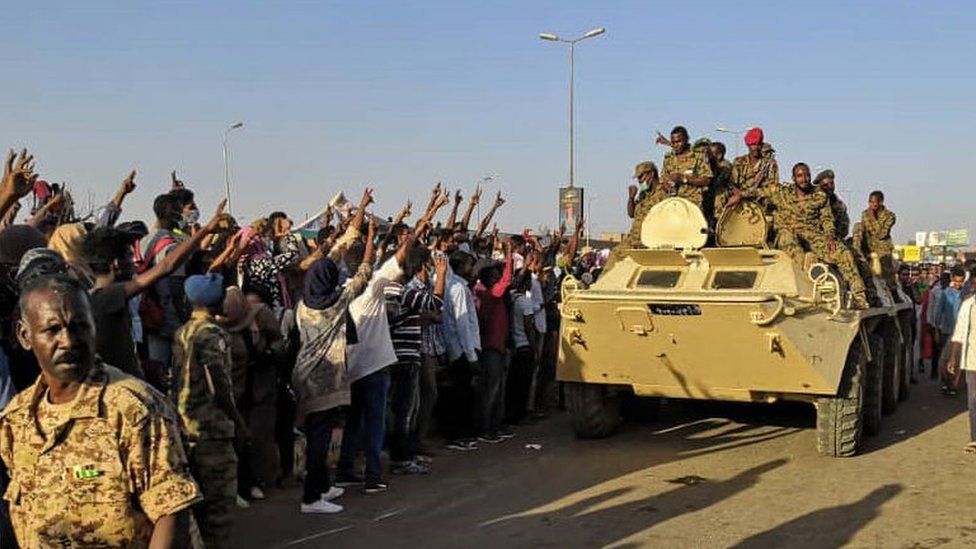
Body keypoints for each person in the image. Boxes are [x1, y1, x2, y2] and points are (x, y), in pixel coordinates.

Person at [0, 274, 201, 547]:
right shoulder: (17, 419)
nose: (68, 341)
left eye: (79, 326)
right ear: (25, 336)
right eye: (52, 330)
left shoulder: (134, 408)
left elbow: (171, 512)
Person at [84, 199, 228, 381]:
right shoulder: (107, 297)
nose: (135, 263)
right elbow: (166, 266)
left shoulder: (96, 298)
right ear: (116, 264)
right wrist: (205, 231)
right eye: (129, 256)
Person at [292, 211, 375, 514]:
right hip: (324, 377)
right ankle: (312, 498)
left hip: (304, 373)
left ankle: (323, 486)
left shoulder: (303, 304)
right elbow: (364, 275)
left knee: (319, 433)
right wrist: (370, 240)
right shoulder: (336, 302)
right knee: (320, 438)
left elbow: (336, 263)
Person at [171, 273, 248, 548]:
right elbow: (218, 382)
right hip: (211, 429)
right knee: (219, 506)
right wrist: (238, 421)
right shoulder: (212, 333)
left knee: (197, 505)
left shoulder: (183, 331)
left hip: (186, 427)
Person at [729, 162, 869, 309]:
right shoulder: (782, 192)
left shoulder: (819, 196)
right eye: (800, 176)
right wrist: (740, 196)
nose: (804, 179)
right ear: (794, 178)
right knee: (787, 241)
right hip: (787, 231)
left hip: (812, 234)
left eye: (807, 175)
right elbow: (759, 192)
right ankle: (811, 271)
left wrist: (829, 236)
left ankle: (859, 296)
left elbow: (827, 219)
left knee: (843, 253)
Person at [439, 250, 481, 451]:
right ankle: (457, 435)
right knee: (461, 394)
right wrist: (471, 355)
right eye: (469, 265)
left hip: (458, 348)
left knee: (461, 393)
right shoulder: (457, 289)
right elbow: (462, 323)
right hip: (462, 350)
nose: (472, 270)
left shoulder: (455, 286)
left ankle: (460, 433)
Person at [473, 241, 513, 444]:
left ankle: (494, 426)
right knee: (492, 388)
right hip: (492, 347)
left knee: (496, 388)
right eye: (495, 277)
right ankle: (487, 428)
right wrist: (509, 255)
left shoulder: (490, 296)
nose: (499, 279)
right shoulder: (491, 295)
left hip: (497, 345)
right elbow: (507, 280)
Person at [946, 283, 976, 454]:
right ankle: (974, 439)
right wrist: (953, 357)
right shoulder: (968, 305)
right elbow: (959, 333)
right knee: (973, 401)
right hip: (972, 360)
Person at [659, 126, 713, 208]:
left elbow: (707, 180)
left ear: (686, 139)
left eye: (678, 142)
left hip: (692, 204)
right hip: (673, 204)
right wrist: (667, 186)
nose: (675, 145)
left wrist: (684, 179)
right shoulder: (669, 158)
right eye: (673, 142)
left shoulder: (698, 156)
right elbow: (663, 179)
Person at [932, 266, 966, 394]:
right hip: (946, 331)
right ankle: (945, 382)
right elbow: (939, 312)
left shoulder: (965, 295)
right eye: (956, 281)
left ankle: (954, 385)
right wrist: (936, 329)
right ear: (953, 279)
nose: (958, 284)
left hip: (961, 332)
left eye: (960, 281)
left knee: (957, 360)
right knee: (944, 359)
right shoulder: (946, 293)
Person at [861, 190, 898, 295]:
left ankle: (893, 291)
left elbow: (881, 234)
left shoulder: (890, 216)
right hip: (868, 244)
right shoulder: (865, 214)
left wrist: (872, 218)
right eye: (870, 202)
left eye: (874, 202)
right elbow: (865, 230)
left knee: (885, 264)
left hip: (883, 246)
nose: (872, 205)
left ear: (881, 202)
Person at [730, 127, 779, 196]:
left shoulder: (770, 163)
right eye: (753, 144)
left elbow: (773, 188)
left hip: (761, 201)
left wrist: (745, 194)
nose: (756, 148)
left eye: (758, 144)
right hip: (740, 200)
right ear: (748, 145)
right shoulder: (739, 162)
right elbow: (732, 183)